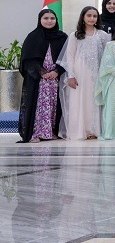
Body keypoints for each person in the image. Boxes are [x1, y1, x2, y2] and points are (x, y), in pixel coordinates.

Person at [58, 6, 110, 140]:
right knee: (79, 101)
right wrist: (71, 76)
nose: (92, 18)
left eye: (94, 16)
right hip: (79, 73)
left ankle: (94, 131)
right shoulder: (75, 35)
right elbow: (69, 56)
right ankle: (80, 131)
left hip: (97, 73)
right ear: (83, 17)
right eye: (89, 15)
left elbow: (107, 56)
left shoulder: (103, 35)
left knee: (95, 100)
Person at [18, 9, 67, 143]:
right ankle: (36, 133)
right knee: (38, 105)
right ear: (40, 20)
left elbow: (68, 58)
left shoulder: (62, 37)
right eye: (46, 18)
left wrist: (57, 71)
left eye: (52, 18)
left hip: (56, 78)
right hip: (38, 79)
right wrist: (42, 72)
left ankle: (52, 132)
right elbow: (27, 59)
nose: (49, 21)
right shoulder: (33, 36)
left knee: (54, 105)